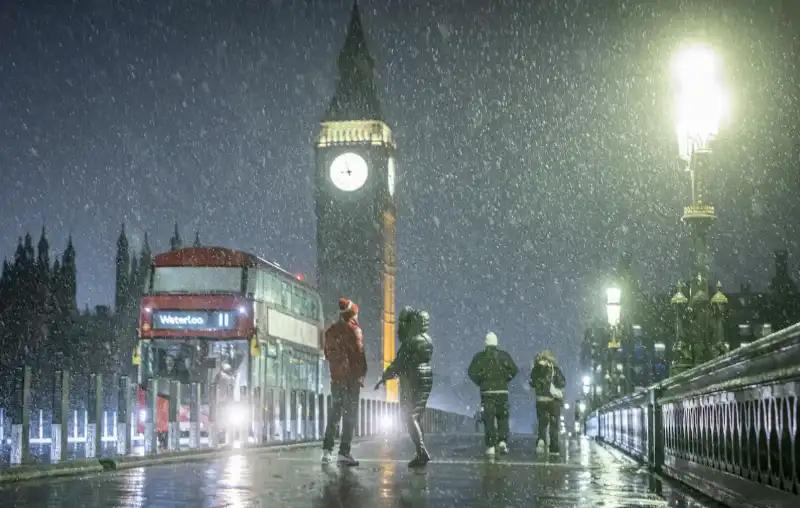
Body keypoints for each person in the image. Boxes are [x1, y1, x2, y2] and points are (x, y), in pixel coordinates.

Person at [375, 306, 434, 467]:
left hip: (413, 378)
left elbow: (398, 363)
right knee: (417, 415)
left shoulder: (411, 342)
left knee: (409, 417)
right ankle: (421, 451)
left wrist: (384, 377)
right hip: (426, 377)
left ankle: (421, 452)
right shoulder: (428, 340)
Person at [321, 298, 367, 466]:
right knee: (350, 416)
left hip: (336, 379)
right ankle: (344, 453)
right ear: (352, 314)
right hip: (351, 380)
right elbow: (359, 355)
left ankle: (327, 451)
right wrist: (361, 374)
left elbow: (327, 354)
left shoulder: (331, 331)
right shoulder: (354, 331)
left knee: (334, 414)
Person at [467, 332, 518, 457]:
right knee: (503, 417)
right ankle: (502, 441)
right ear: (496, 343)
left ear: (486, 343)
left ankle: (490, 446)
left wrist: (481, 381)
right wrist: (505, 378)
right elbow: (514, 370)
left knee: (488, 419)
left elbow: (471, 372)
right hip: (502, 392)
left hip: (487, 392)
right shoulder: (504, 356)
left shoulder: (479, 357)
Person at [530, 350, 566, 454]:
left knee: (542, 423)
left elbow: (532, 383)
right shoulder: (554, 369)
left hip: (540, 400)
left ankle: (541, 440)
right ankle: (554, 449)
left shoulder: (535, 369)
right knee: (554, 425)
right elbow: (562, 382)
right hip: (552, 401)